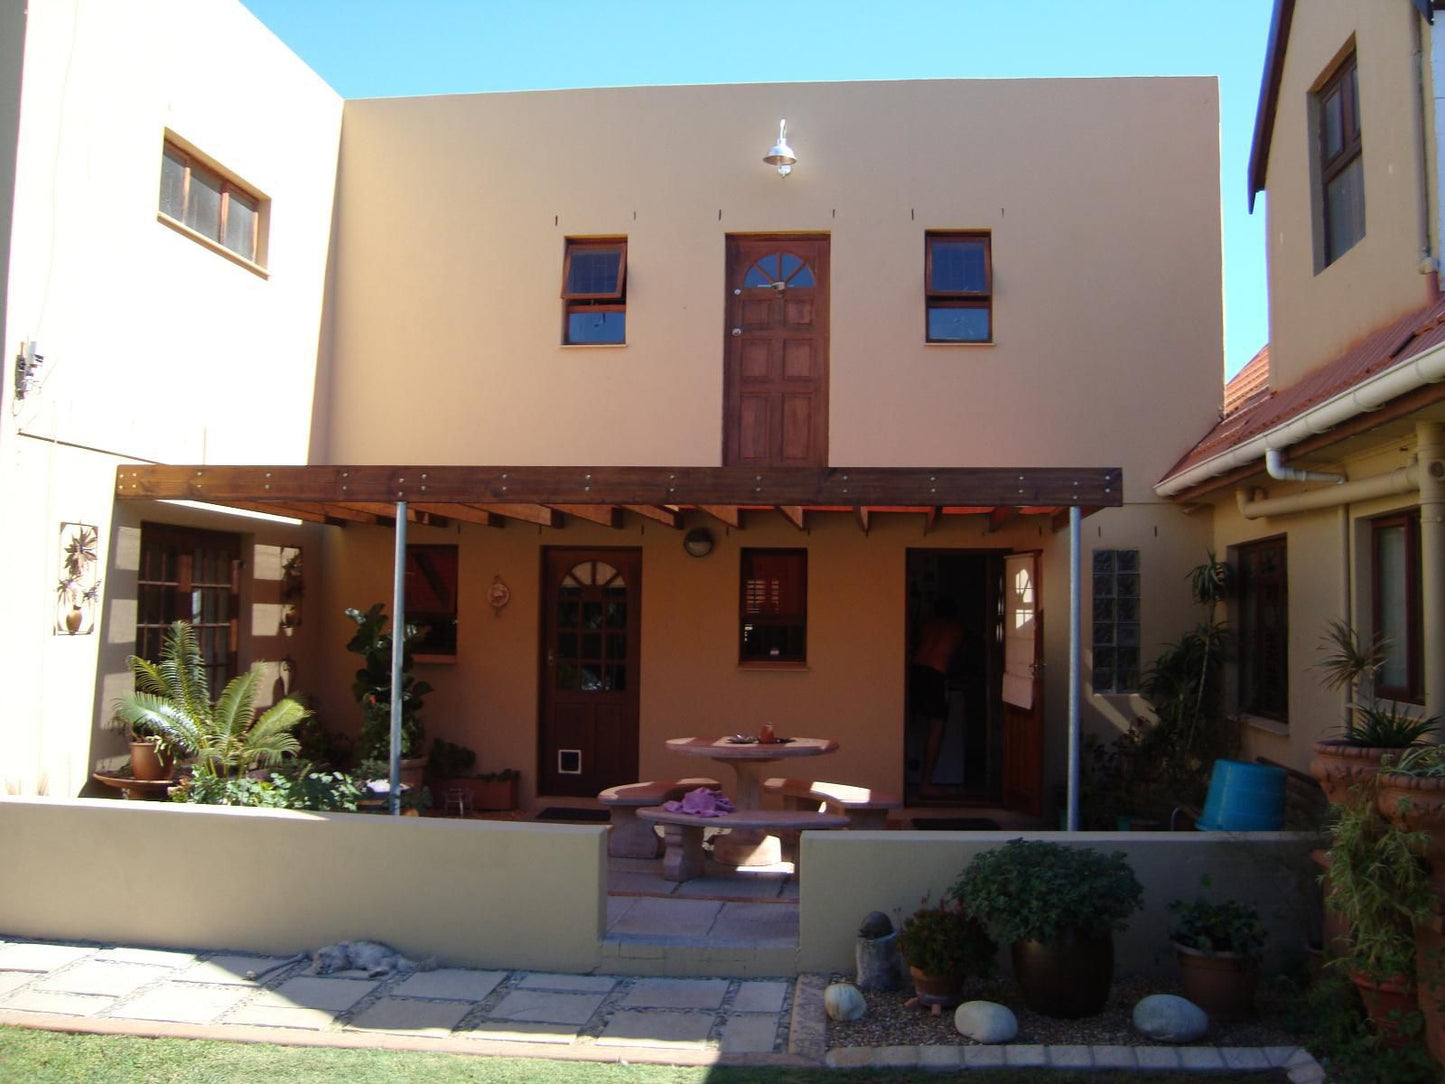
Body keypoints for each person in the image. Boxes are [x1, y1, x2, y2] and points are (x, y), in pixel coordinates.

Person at [910, 597, 964, 797]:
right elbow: (956, 657)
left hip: (915, 671)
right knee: (936, 729)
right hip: (936, 676)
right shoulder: (956, 630)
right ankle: (926, 783)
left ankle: (905, 777)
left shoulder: (927, 625)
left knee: (911, 723)